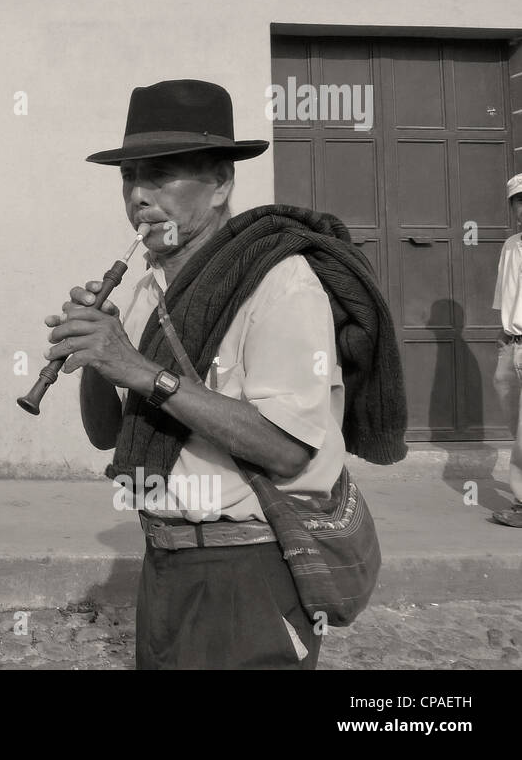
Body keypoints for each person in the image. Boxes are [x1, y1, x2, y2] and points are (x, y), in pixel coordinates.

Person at [44, 79, 405, 669]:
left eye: (162, 175)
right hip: (164, 561)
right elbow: (106, 434)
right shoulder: (144, 289)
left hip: (250, 569)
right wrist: (95, 353)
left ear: (221, 185)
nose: (140, 195)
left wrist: (138, 368)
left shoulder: (279, 282)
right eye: (130, 177)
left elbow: (288, 451)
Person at [489, 173, 522, 528]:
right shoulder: (511, 245)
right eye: (519, 201)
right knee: (516, 426)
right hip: (511, 347)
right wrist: (503, 335)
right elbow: (506, 294)